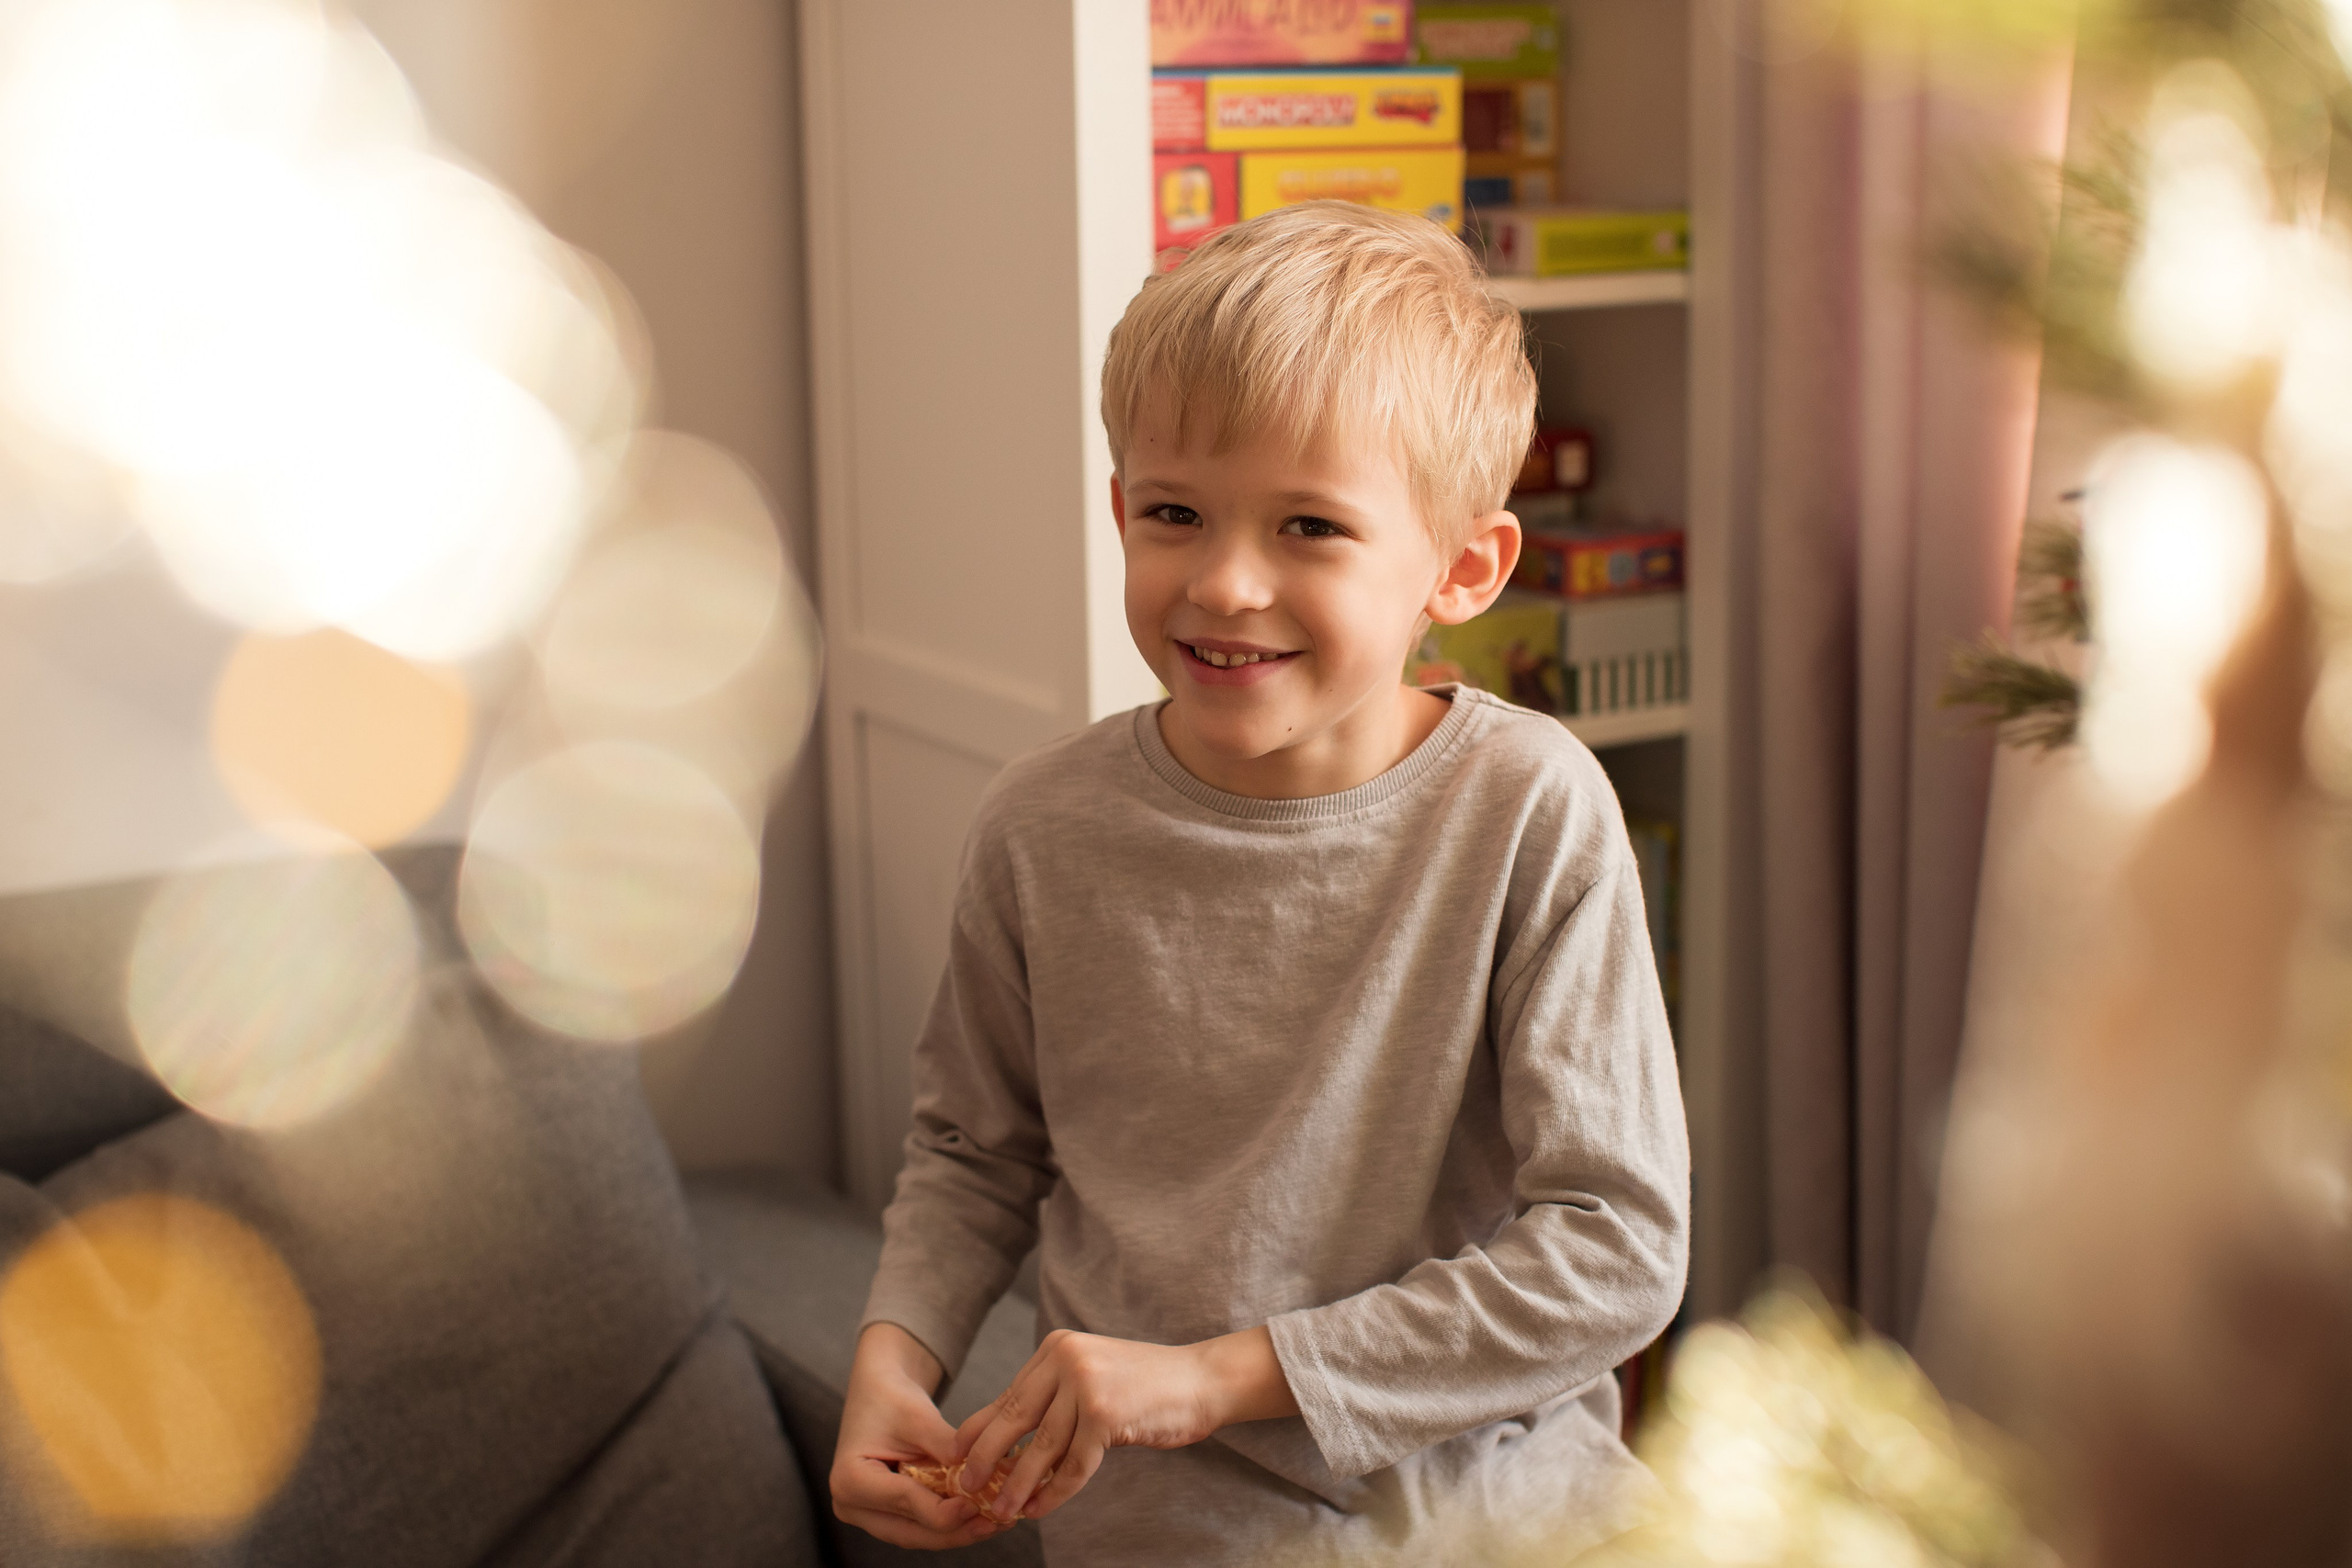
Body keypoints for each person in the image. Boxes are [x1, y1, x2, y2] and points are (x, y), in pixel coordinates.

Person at [828, 201, 1690, 1565]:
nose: (1225, 583)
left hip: (1504, 1522)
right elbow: (972, 1153)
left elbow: (1616, 1251)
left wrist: (1215, 1379)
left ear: (1463, 568)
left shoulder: (1530, 810)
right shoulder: (1039, 829)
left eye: (1309, 527)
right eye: (1175, 513)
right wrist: (895, 1357)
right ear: (1120, 511)